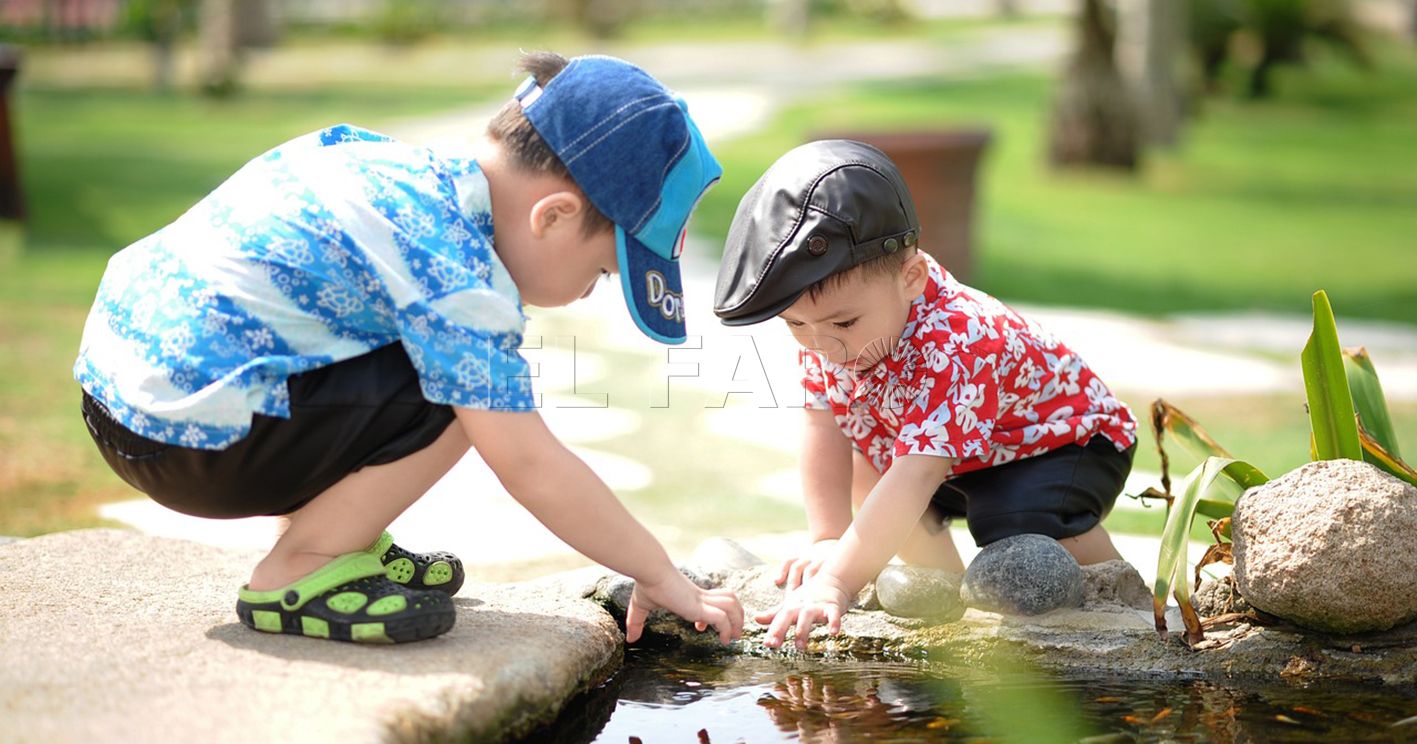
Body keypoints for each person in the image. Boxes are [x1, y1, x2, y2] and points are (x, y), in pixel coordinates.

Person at [74, 52, 743, 645]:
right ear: (555, 216)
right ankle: (300, 569)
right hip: (190, 443)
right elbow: (528, 464)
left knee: (427, 357)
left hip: (126, 399)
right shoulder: (455, 270)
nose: (584, 295)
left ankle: (340, 538)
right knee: (468, 396)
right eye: (601, 274)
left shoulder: (394, 171)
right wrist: (656, 572)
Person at [712, 140, 1137, 649]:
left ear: (911, 277)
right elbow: (821, 425)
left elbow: (918, 473)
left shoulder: (958, 338)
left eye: (844, 322)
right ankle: (947, 601)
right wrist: (829, 538)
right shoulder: (828, 332)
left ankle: (1121, 599)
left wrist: (836, 582)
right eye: (795, 324)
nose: (822, 343)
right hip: (958, 455)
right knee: (869, 464)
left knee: (1012, 523)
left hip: (1064, 445)